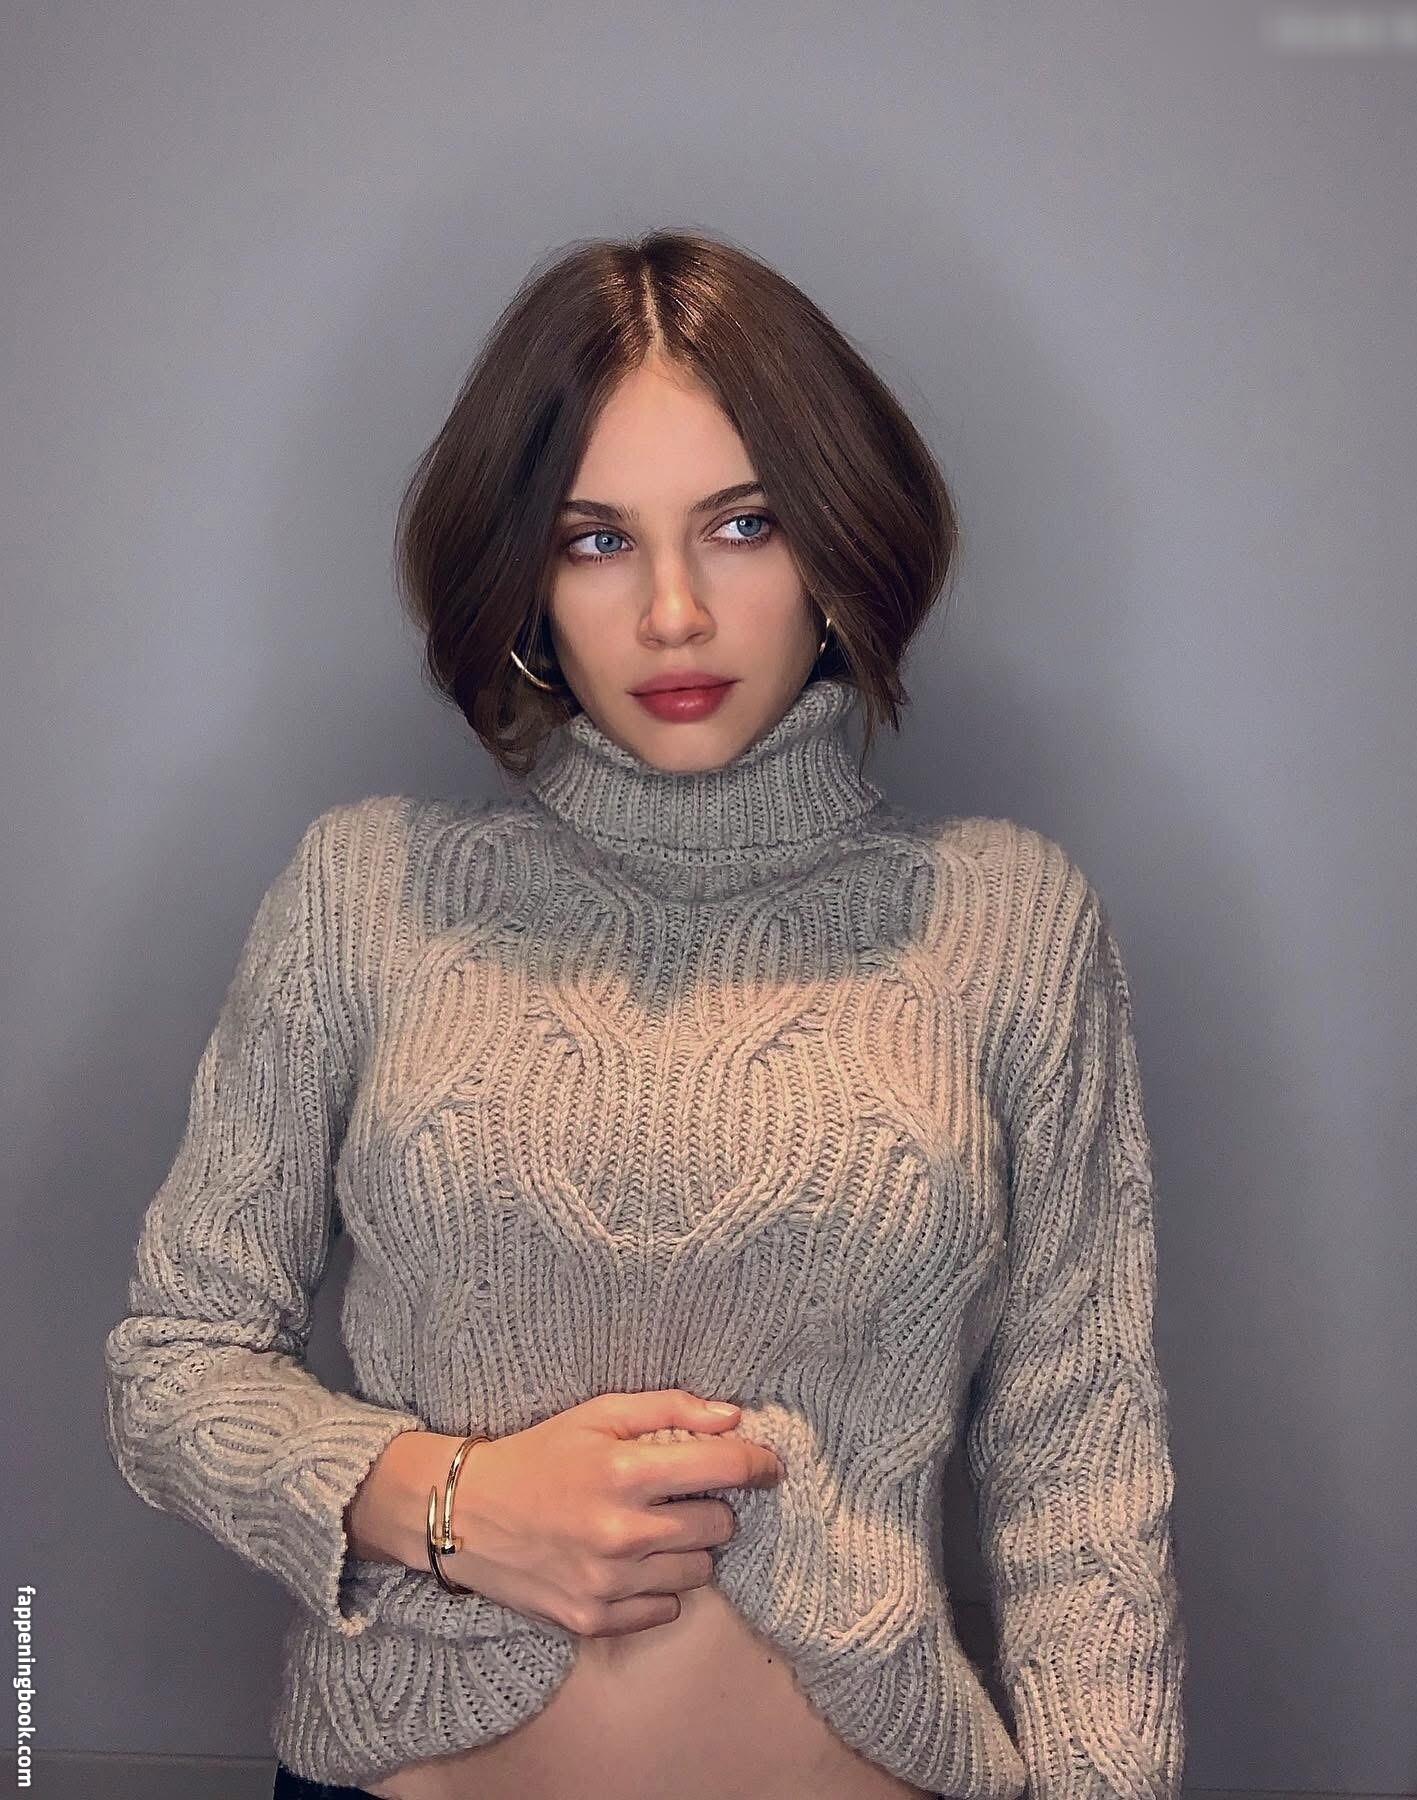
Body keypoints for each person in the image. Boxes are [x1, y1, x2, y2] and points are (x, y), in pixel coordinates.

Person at [102, 228, 1187, 1800]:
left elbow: (1082, 1479)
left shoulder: (1006, 923)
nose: (674, 612)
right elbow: (174, 1364)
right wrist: (446, 1500)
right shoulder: (367, 895)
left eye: (744, 525)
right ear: (524, 578)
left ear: (837, 543)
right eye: (597, 541)